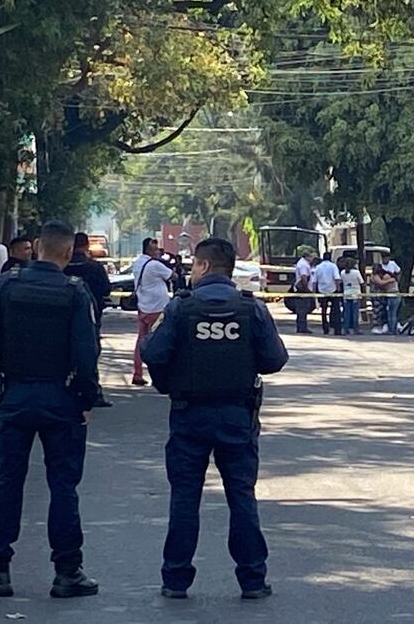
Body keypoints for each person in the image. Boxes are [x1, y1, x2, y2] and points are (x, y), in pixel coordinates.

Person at [140, 238, 288, 601]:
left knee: (185, 498)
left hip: (189, 415)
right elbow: (274, 359)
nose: (191, 272)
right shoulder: (250, 308)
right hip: (236, 415)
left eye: (193, 266)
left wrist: (169, 384)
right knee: (241, 497)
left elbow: (154, 353)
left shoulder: (181, 308)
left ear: (204, 266)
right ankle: (252, 579)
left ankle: (176, 579)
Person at [0, 220, 102, 600]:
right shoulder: (76, 293)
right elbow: (86, 352)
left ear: (39, 246)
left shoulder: (5, 286)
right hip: (61, 399)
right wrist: (85, 399)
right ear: (68, 253)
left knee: (7, 483)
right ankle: (67, 571)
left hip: (13, 395)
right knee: (63, 487)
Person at [131, 238, 175, 386]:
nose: (158, 252)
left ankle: (138, 373)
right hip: (157, 308)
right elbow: (172, 276)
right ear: (149, 250)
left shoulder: (137, 263)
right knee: (160, 342)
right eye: (155, 249)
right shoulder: (155, 265)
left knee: (140, 341)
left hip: (142, 306)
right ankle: (159, 376)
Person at [65, 233, 111, 329]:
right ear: (87, 245)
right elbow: (106, 289)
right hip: (93, 311)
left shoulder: (63, 266)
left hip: (66, 309)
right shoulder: (96, 267)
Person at [313, 252, 342, 336]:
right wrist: (338, 289)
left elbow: (315, 281)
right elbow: (337, 278)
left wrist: (314, 293)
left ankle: (325, 328)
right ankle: (337, 329)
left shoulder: (318, 267)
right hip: (333, 290)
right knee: (336, 310)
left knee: (324, 310)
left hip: (322, 291)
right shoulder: (333, 266)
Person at [370, 263, 400, 335]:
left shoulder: (384, 276)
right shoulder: (376, 276)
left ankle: (389, 328)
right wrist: (390, 281)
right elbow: (380, 283)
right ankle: (381, 327)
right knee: (382, 312)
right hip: (378, 296)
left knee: (388, 313)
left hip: (385, 296)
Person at [292, 251, 316, 334]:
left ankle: (301, 326)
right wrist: (306, 289)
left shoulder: (302, 263)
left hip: (302, 289)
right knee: (303, 309)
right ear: (307, 257)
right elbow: (304, 277)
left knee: (302, 309)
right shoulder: (303, 265)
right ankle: (302, 327)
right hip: (302, 290)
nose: (312, 259)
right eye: (311, 257)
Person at [341, 258, 365, 335]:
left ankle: (346, 328)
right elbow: (361, 282)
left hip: (346, 294)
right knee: (355, 313)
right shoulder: (356, 272)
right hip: (355, 294)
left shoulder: (343, 272)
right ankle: (355, 329)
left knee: (347, 313)